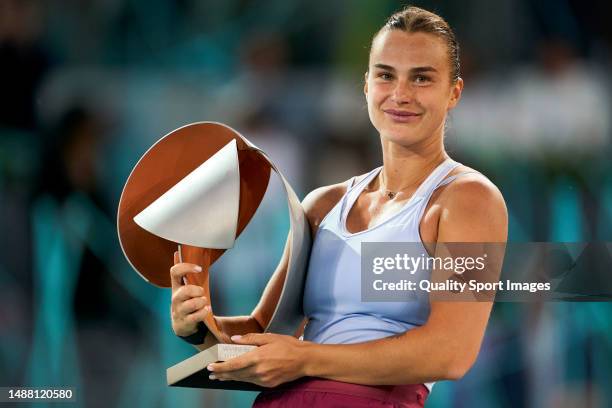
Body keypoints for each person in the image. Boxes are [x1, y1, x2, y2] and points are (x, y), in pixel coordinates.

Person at [170, 6, 507, 407]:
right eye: (386, 75)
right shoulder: (321, 204)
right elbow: (263, 330)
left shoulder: (471, 199)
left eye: (421, 78)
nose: (400, 94)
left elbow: (451, 353)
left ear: (454, 92)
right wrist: (199, 328)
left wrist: (305, 358)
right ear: (366, 86)